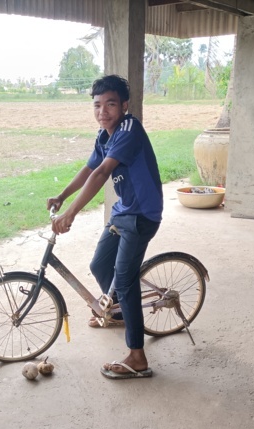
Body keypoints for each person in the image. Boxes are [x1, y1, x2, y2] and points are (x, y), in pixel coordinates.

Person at [47, 74, 163, 380]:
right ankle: (122, 313)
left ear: (124, 105)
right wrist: (62, 196)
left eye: (110, 104)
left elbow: (101, 173)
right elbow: (89, 168)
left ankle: (137, 357)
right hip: (123, 210)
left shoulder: (128, 130)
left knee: (124, 282)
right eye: (97, 105)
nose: (103, 111)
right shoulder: (104, 135)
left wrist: (70, 214)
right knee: (99, 265)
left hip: (142, 215)